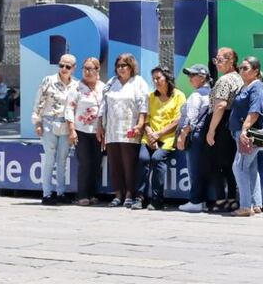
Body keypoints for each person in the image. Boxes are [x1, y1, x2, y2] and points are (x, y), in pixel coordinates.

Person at [98, 53, 150, 208]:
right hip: (112, 129)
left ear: (131, 66)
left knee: (129, 164)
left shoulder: (138, 82)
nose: (121, 68)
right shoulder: (111, 82)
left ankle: (129, 194)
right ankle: (118, 194)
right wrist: (100, 125)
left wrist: (140, 124)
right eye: (118, 65)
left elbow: (144, 105)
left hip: (130, 130)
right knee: (115, 164)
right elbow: (103, 104)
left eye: (124, 65)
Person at [133, 67, 185, 210]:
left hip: (167, 139)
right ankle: (140, 197)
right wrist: (151, 135)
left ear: (167, 78)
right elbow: (146, 119)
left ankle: (157, 199)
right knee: (143, 159)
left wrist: (159, 135)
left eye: (159, 78)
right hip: (149, 137)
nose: (156, 81)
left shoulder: (178, 95)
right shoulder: (151, 97)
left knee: (157, 159)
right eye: (154, 79)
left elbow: (178, 120)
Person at [32, 54, 78, 204]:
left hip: (66, 124)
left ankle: (60, 192)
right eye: (61, 65)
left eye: (68, 66)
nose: (64, 69)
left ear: (73, 68)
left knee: (62, 159)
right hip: (49, 123)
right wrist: (37, 123)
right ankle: (46, 194)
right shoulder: (49, 80)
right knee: (49, 159)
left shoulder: (76, 85)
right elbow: (39, 101)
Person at [229, 56, 263, 217]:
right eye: (240, 68)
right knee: (250, 167)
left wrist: (244, 131)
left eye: (245, 68)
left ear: (256, 71)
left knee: (238, 166)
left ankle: (246, 206)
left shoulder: (258, 88)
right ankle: (256, 203)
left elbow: (254, 112)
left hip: (248, 134)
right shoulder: (247, 86)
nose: (241, 70)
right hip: (242, 132)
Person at [205, 47, 243, 213]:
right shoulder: (240, 79)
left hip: (221, 123)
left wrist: (211, 129)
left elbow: (220, 105)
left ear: (231, 61)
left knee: (215, 164)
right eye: (216, 60)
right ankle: (233, 199)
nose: (217, 63)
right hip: (233, 122)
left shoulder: (224, 80)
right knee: (229, 164)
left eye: (220, 60)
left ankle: (221, 199)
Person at [65, 57, 106, 206]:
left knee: (96, 163)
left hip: (98, 131)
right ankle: (81, 195)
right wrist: (71, 130)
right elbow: (69, 109)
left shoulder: (103, 87)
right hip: (81, 130)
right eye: (85, 68)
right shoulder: (76, 87)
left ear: (97, 71)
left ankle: (92, 193)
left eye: (91, 69)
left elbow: (105, 108)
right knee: (85, 162)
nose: (87, 72)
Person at [177, 64, 213, 213]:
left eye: (193, 75)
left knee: (194, 170)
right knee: (202, 169)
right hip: (206, 136)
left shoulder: (196, 95)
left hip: (195, 136)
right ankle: (202, 200)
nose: (190, 78)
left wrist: (182, 136)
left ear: (202, 77)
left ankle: (195, 200)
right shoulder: (212, 94)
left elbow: (190, 119)